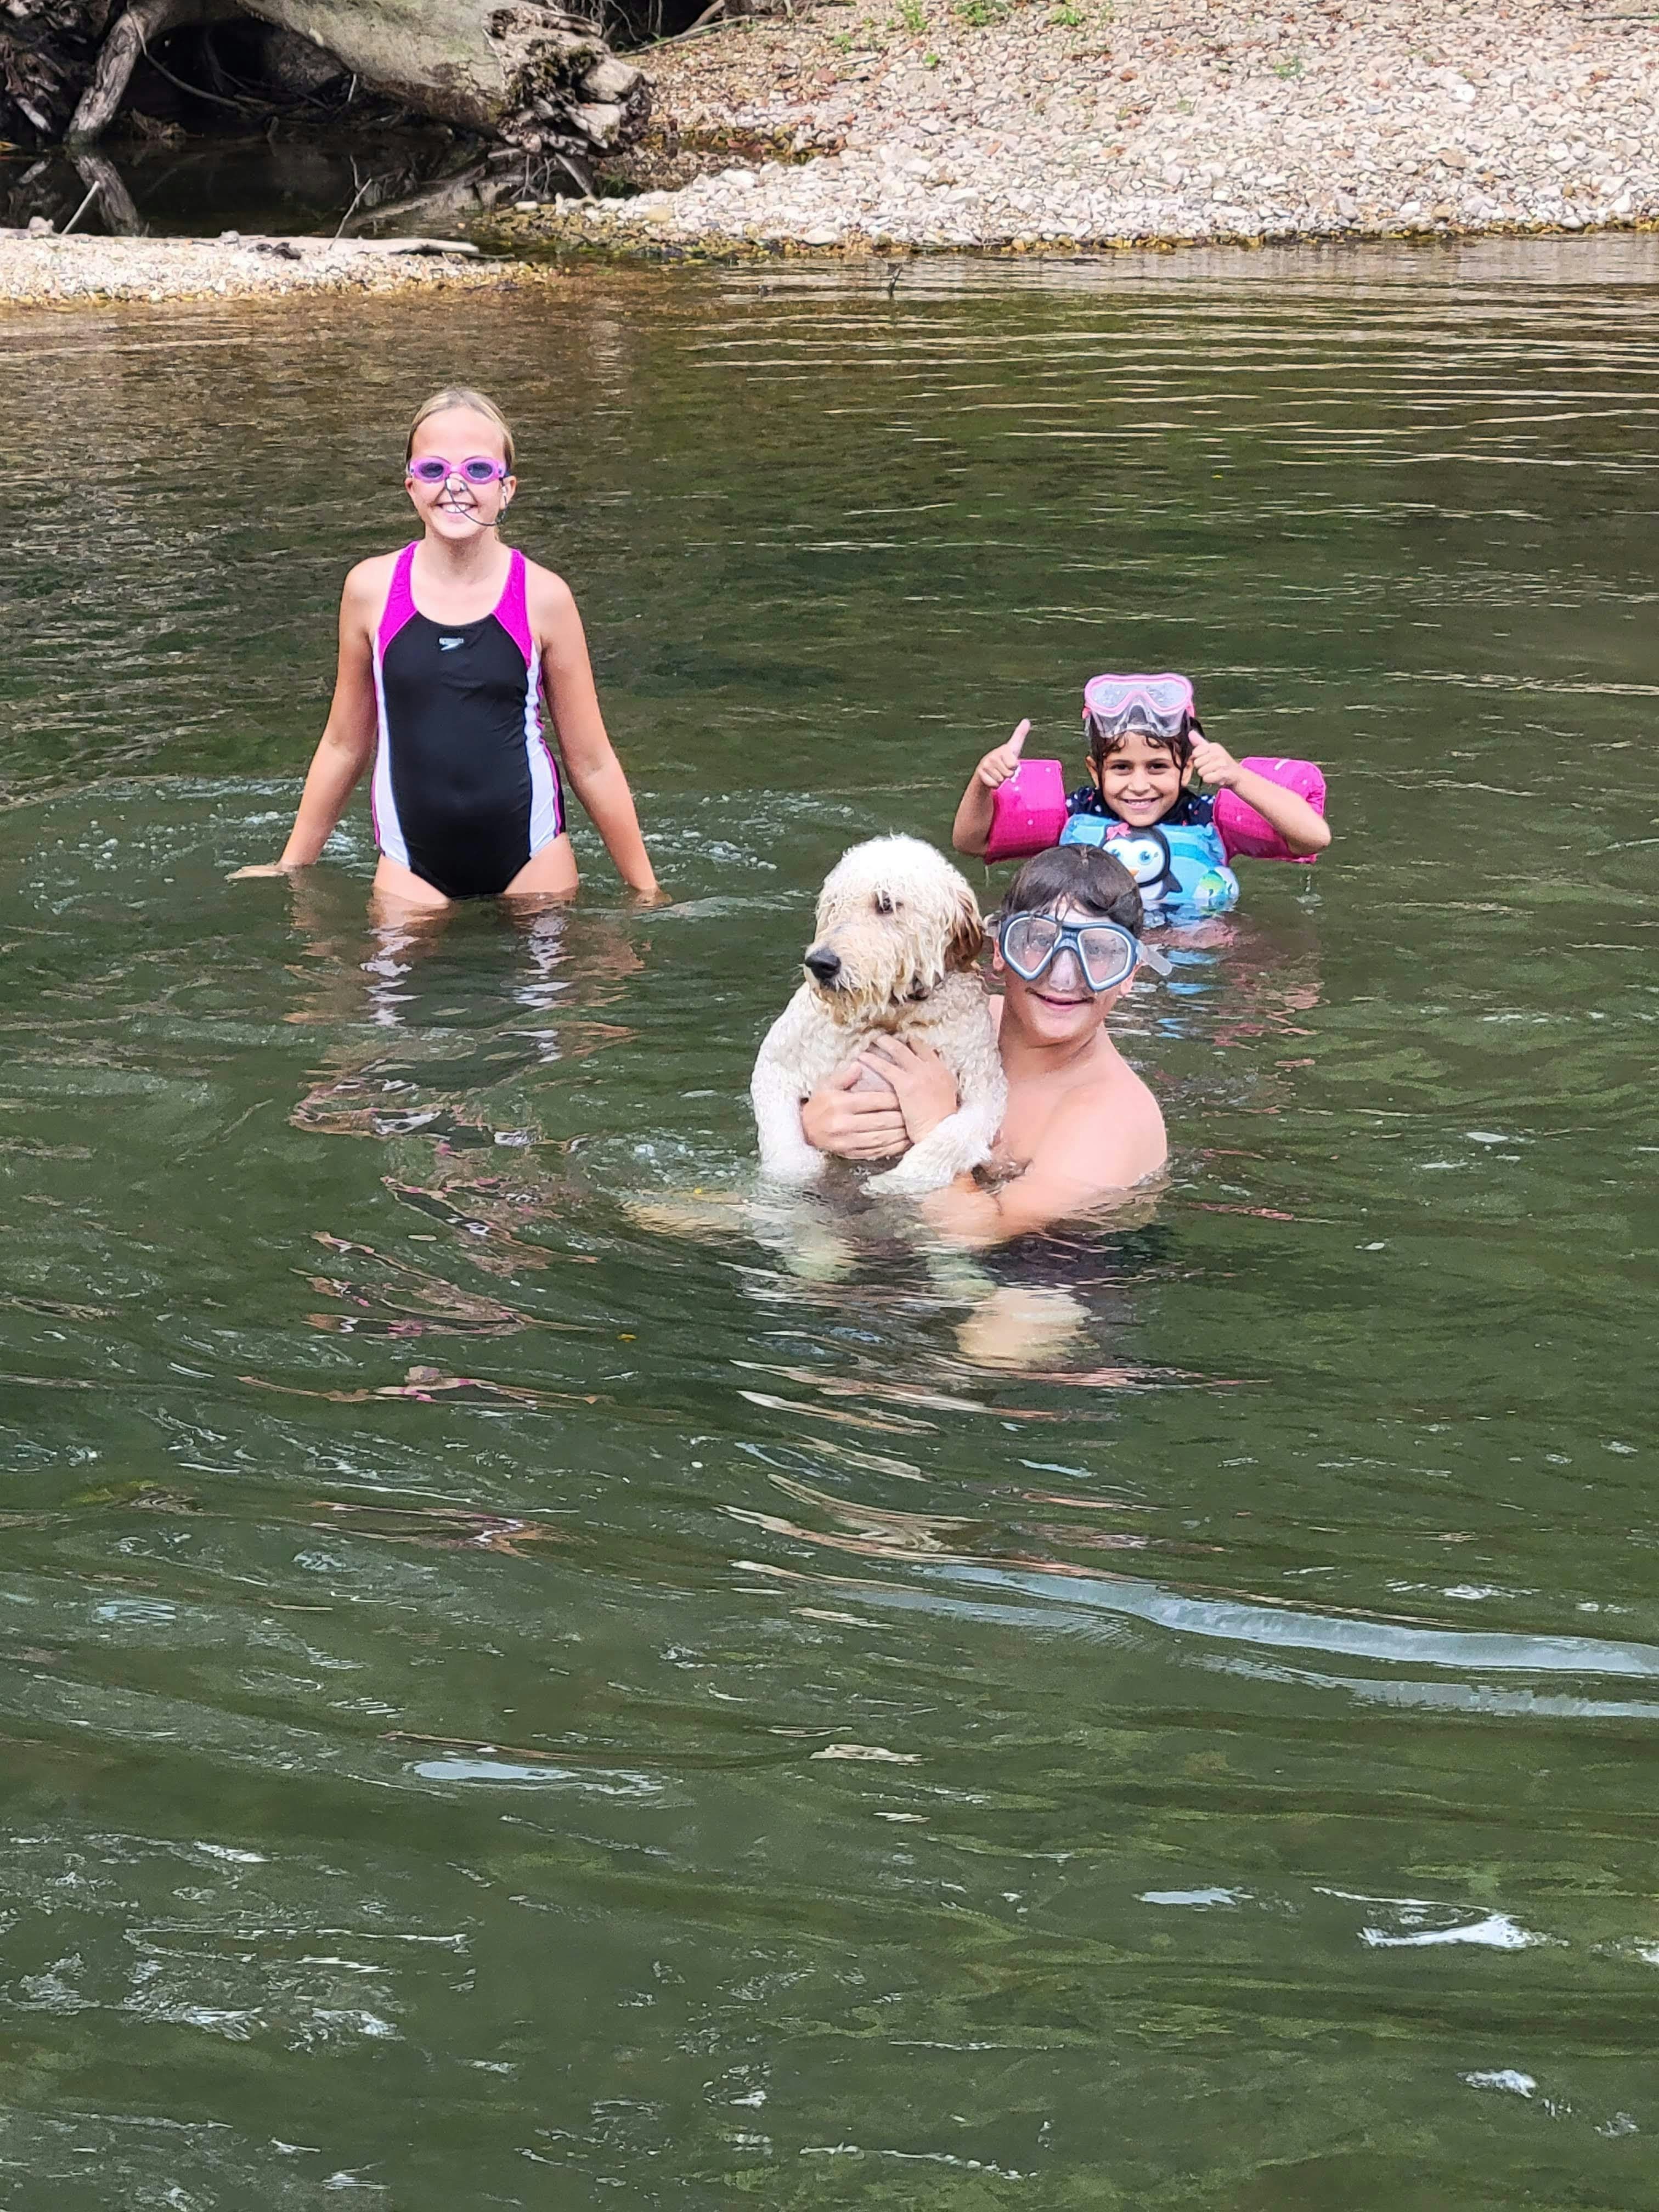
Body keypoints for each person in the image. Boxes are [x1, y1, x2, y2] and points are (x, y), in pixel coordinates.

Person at [233, 386, 659, 909]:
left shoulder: (544, 598)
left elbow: (591, 762)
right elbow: (345, 744)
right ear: (410, 485)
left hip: (534, 868)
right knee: (388, 988)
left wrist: (647, 890)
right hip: (411, 874)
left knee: (549, 982)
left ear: (507, 489)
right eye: (434, 470)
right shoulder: (369, 591)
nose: (455, 486)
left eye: (478, 470)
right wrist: (290, 867)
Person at [800, 844, 1168, 1245]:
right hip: (877, 1238)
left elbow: (980, 1237)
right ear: (998, 950)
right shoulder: (944, 1023)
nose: (1063, 977)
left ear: (1130, 972)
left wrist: (937, 1131)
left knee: (1022, 1310)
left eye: (1099, 951)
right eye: (1037, 941)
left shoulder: (1111, 1117)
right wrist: (814, 1126)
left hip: (1044, 1272)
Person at [951, 672, 1329, 915]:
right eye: (1121, 768)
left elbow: (1313, 838)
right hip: (1093, 946)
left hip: (1190, 949)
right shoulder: (1077, 812)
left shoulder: (1206, 817)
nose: (1139, 784)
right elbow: (971, 843)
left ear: (1188, 770)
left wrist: (1239, 778)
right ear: (1095, 772)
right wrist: (983, 783)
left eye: (1157, 767)